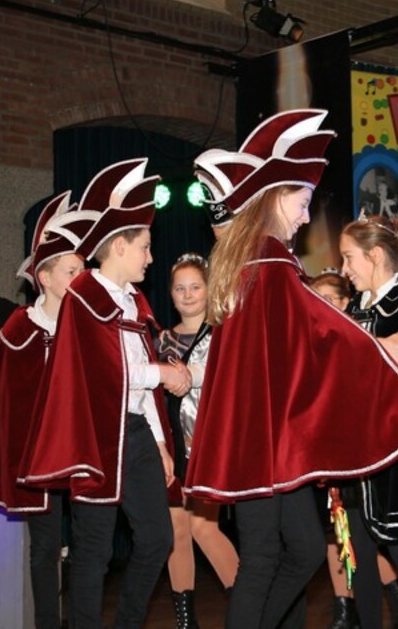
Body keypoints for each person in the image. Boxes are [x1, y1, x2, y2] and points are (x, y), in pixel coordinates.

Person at [184, 109, 398, 629]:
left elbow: (304, 336)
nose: (304, 218)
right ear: (277, 197)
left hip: (272, 438)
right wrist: (380, 347)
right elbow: (320, 328)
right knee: (263, 558)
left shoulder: (259, 260)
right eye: (301, 203)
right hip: (263, 439)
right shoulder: (268, 261)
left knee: (301, 548)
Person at [19, 158, 191, 629]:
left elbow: (138, 381)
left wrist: (159, 441)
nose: (150, 258)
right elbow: (106, 372)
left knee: (157, 538)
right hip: (94, 437)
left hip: (134, 432)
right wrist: (163, 373)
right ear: (119, 246)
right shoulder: (83, 297)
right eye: (145, 247)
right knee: (93, 549)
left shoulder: (133, 300)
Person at [0, 191, 93, 629]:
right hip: (38, 454)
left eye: (82, 270)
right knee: (45, 546)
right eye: (72, 272)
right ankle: (48, 622)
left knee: (90, 542)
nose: (81, 279)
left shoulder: (90, 322)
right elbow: (9, 397)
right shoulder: (21, 325)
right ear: (45, 277)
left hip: (84, 450)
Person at [338, 213, 398, 629]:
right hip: (358, 452)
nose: (344, 269)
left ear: (375, 255)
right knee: (360, 558)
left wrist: (363, 355)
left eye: (349, 258)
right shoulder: (356, 307)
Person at [309, 269, 398, 629]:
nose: (323, 306)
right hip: (321, 453)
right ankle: (344, 609)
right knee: (332, 534)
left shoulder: (357, 340)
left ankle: (397, 594)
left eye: (330, 299)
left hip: (354, 454)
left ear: (347, 302)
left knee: (357, 533)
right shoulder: (311, 342)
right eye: (316, 300)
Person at [157, 252, 238, 629]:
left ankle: (250, 608)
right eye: (180, 288)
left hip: (211, 445)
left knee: (205, 527)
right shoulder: (161, 340)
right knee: (177, 531)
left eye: (195, 287)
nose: (188, 295)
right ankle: (186, 622)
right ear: (170, 293)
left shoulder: (224, 335)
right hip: (172, 446)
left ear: (209, 290)